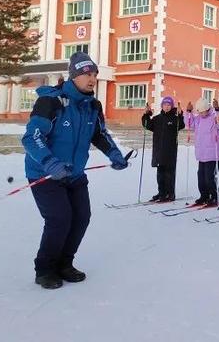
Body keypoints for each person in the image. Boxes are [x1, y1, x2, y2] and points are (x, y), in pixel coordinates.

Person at [22, 52, 128, 289]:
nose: (92, 79)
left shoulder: (92, 105)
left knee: (81, 218)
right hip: (45, 173)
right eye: (86, 74)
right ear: (73, 76)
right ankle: (45, 268)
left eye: (94, 74)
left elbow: (99, 134)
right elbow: (32, 137)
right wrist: (49, 162)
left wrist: (114, 153)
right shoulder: (51, 101)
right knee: (59, 219)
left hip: (75, 174)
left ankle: (64, 263)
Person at [142, 96, 185, 202]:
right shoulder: (157, 118)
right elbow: (147, 125)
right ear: (162, 106)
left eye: (169, 105)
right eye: (165, 104)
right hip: (159, 150)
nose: (167, 107)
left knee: (169, 173)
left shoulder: (175, 118)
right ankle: (161, 192)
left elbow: (182, 125)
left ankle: (170, 193)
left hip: (170, 151)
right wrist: (146, 115)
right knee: (160, 173)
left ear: (172, 106)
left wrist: (180, 115)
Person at [185, 97, 219, 206]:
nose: (202, 114)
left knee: (210, 177)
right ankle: (204, 195)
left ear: (208, 109)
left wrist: (218, 109)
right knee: (201, 177)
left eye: (203, 111)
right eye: (200, 112)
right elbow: (189, 123)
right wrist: (189, 112)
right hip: (202, 153)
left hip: (212, 153)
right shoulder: (198, 119)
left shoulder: (214, 116)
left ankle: (214, 196)